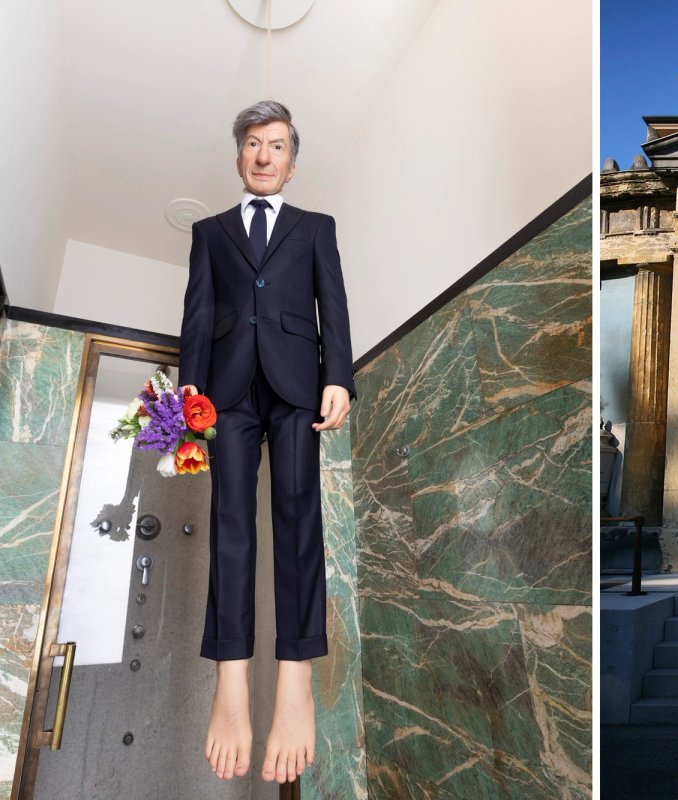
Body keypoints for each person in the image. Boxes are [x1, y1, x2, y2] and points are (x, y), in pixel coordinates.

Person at [178, 100, 355, 784]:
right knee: (231, 527)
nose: (262, 155)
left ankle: (294, 679)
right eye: (252, 144)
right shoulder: (210, 231)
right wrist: (191, 396)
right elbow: (195, 319)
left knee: (297, 520)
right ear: (238, 155)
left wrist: (337, 376)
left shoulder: (316, 229)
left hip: (295, 385)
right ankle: (230, 681)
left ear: (291, 158)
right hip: (224, 392)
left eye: (275, 145)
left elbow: (331, 304)